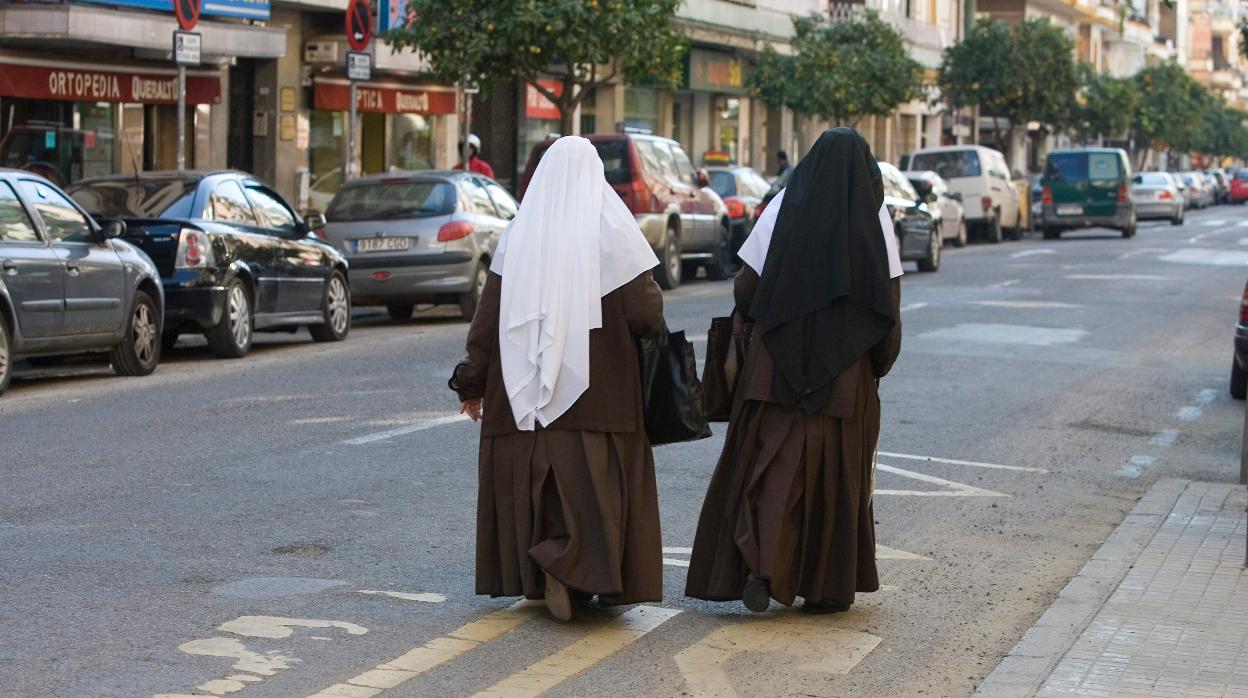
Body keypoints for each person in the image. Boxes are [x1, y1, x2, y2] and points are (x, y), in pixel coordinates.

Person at [685, 127, 903, 615]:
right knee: (833, 478)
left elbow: (745, 289)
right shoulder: (875, 218)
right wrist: (877, 368)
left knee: (772, 468)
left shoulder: (784, 206)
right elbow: (888, 309)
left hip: (774, 365)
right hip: (845, 377)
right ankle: (824, 586)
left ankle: (761, 567)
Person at [449, 136, 666, 621]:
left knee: (536, 482)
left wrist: (471, 383)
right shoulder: (614, 230)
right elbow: (647, 313)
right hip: (601, 392)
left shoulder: (520, 233)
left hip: (522, 394)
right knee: (594, 486)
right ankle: (570, 566)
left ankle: (542, 564)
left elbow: (487, 321)